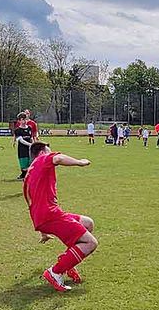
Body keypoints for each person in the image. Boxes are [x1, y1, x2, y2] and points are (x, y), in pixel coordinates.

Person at [23, 141, 98, 292]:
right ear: (43, 151)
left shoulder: (29, 173)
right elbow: (57, 159)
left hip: (46, 216)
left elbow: (30, 202)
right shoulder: (43, 159)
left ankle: (68, 264)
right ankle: (55, 272)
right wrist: (80, 162)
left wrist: (43, 231)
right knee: (91, 243)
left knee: (88, 223)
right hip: (51, 215)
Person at [13, 112, 33, 180]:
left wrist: (33, 144)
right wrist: (30, 144)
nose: (24, 121)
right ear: (19, 121)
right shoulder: (17, 130)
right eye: (22, 119)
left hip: (30, 149)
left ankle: (27, 175)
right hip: (22, 149)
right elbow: (21, 140)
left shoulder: (29, 128)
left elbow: (31, 138)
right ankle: (24, 174)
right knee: (24, 166)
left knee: (31, 162)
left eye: (25, 119)